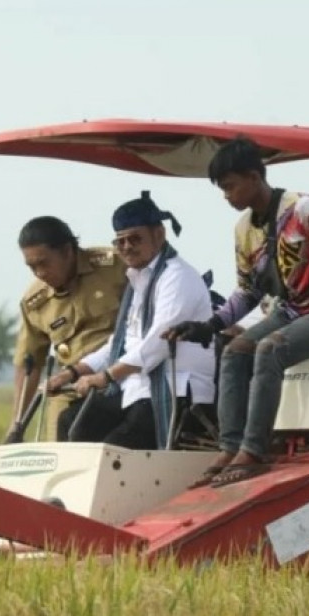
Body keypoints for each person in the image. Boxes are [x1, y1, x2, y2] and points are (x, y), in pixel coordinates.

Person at [166, 136, 309, 485]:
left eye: (230, 187)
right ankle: (230, 446)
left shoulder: (305, 209)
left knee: (269, 349)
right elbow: (248, 291)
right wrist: (208, 326)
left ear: (253, 176)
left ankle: (254, 449)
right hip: (292, 311)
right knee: (234, 352)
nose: (227, 197)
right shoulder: (244, 230)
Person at [48, 191, 216, 450]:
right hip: (137, 389)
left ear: (159, 235)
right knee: (71, 423)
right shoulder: (139, 280)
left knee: (113, 450)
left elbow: (156, 343)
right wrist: (72, 372)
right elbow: (121, 343)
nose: (126, 247)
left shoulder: (177, 277)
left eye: (135, 239)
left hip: (177, 390)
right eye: (120, 242)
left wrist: (107, 376)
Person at [7, 215, 129, 442]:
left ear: (67, 251)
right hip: (68, 388)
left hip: (119, 381)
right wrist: (17, 426)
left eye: (44, 263)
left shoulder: (116, 266)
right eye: (32, 267)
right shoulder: (35, 301)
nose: (39, 273)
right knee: (60, 458)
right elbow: (29, 365)